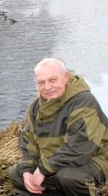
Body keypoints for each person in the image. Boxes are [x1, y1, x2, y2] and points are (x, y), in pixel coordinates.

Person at [8, 58, 108, 196]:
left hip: (95, 157)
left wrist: (44, 170)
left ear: (65, 77)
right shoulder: (35, 107)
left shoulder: (84, 102)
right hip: (57, 160)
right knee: (17, 174)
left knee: (67, 177)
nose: (47, 87)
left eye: (52, 80)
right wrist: (27, 169)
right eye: (41, 83)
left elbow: (78, 148)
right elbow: (28, 142)